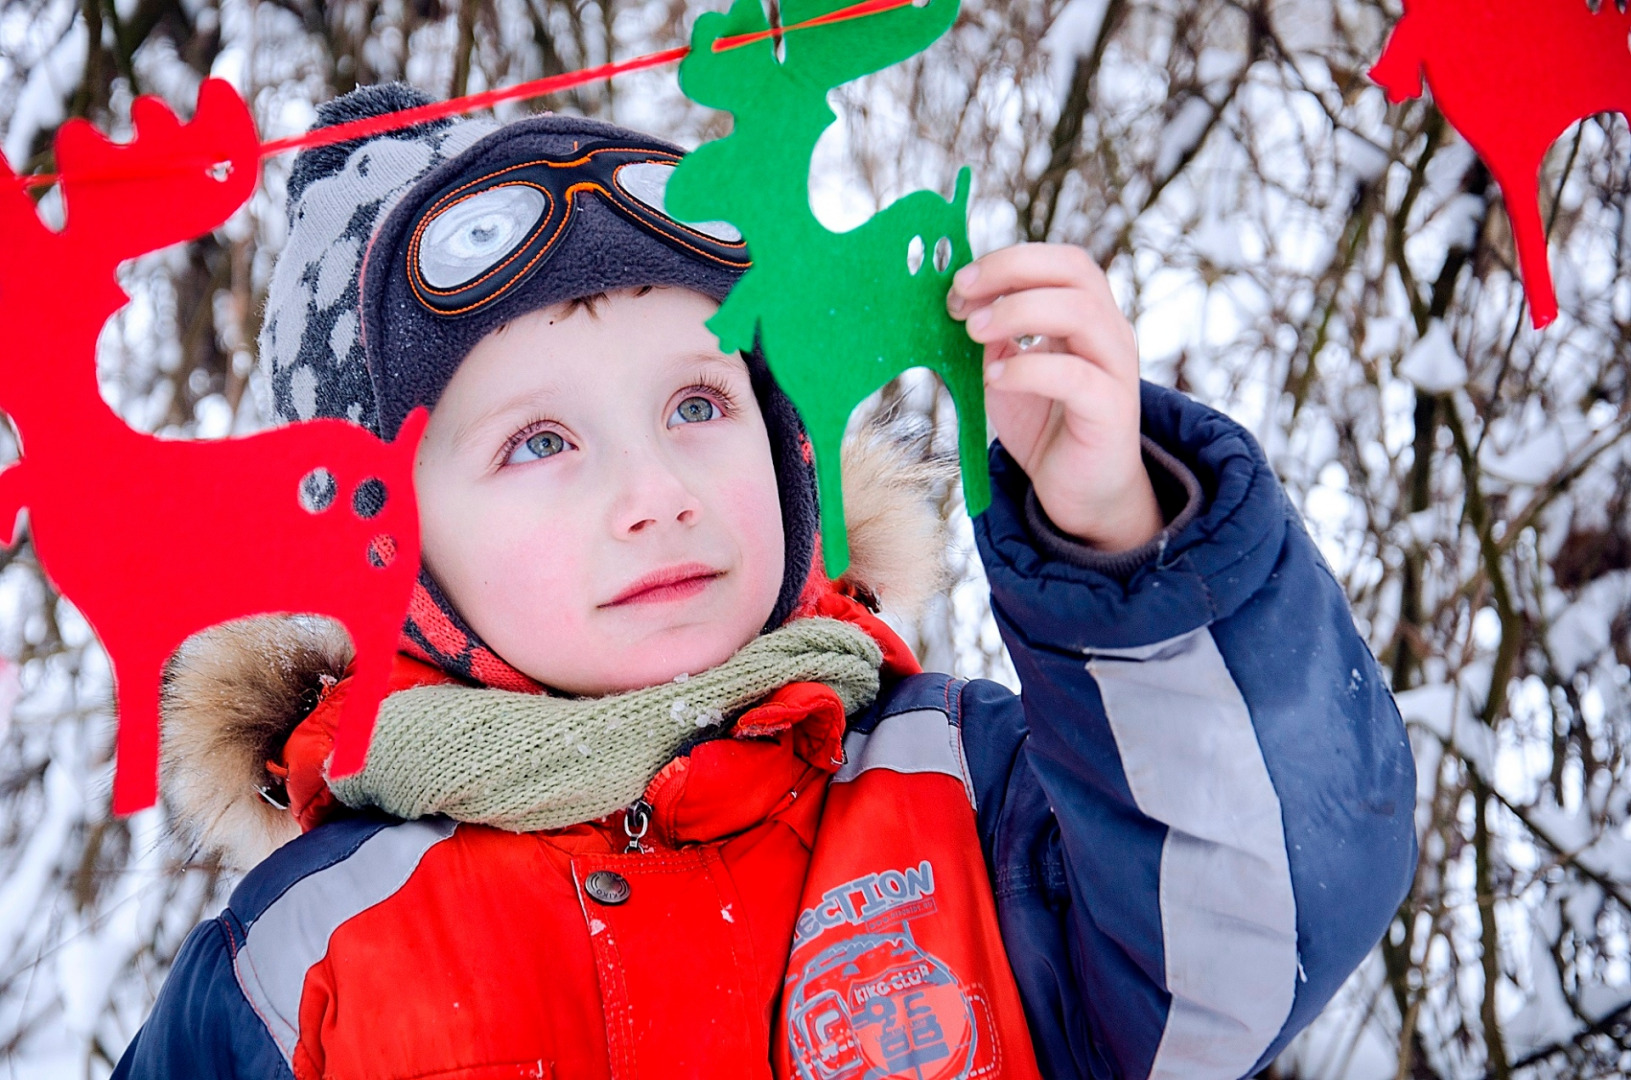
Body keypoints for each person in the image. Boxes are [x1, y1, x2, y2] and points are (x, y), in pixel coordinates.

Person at [113, 84, 1416, 1080]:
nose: (657, 490)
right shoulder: (301, 965)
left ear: (791, 448)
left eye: (697, 400)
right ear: (378, 542)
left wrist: (1131, 549)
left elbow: (1258, 920)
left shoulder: (967, 796)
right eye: (541, 442)